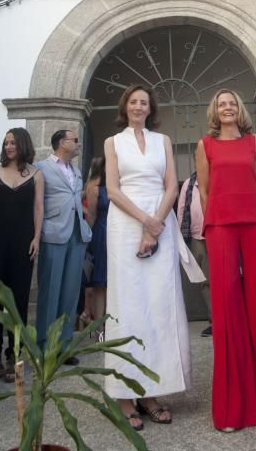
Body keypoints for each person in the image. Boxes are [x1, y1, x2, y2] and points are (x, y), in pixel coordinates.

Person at [104, 84, 198, 429]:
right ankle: (125, 394)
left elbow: (172, 185)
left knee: (160, 304)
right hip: (126, 222)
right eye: (134, 101)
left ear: (150, 108)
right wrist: (145, 222)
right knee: (127, 305)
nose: (139, 106)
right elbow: (112, 190)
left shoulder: (163, 141)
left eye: (144, 102)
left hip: (161, 216)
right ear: (125, 106)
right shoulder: (112, 142)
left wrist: (156, 223)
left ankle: (152, 391)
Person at [195, 89, 256, 432]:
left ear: (240, 110)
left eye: (233, 102)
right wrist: (213, 221)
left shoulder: (254, 145)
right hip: (220, 224)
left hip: (255, 220)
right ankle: (235, 409)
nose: (228, 107)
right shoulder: (205, 145)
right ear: (214, 110)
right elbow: (204, 191)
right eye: (221, 103)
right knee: (227, 307)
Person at [0, 128, 43, 381]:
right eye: (6, 142)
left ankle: (13, 354)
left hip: (23, 242)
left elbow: (38, 207)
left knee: (17, 300)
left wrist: (37, 238)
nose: (8, 147)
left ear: (23, 145)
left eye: (13, 143)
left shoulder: (37, 175)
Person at [35, 129, 92, 358]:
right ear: (61, 143)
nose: (78, 144)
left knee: (70, 293)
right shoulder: (41, 167)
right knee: (50, 291)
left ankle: (65, 345)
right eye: (75, 140)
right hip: (53, 233)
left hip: (76, 234)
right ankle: (46, 345)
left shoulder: (76, 171)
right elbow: (37, 203)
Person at [178, 170, 212, 337]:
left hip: (214, 234)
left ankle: (220, 319)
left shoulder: (215, 178)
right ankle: (213, 320)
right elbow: (182, 207)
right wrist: (179, 234)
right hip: (196, 236)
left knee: (213, 278)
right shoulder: (188, 184)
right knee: (203, 280)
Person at [83, 156, 108, 338]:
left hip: (120, 232)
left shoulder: (121, 181)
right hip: (101, 233)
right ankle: (101, 330)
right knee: (100, 283)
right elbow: (91, 214)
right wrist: (87, 242)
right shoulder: (94, 185)